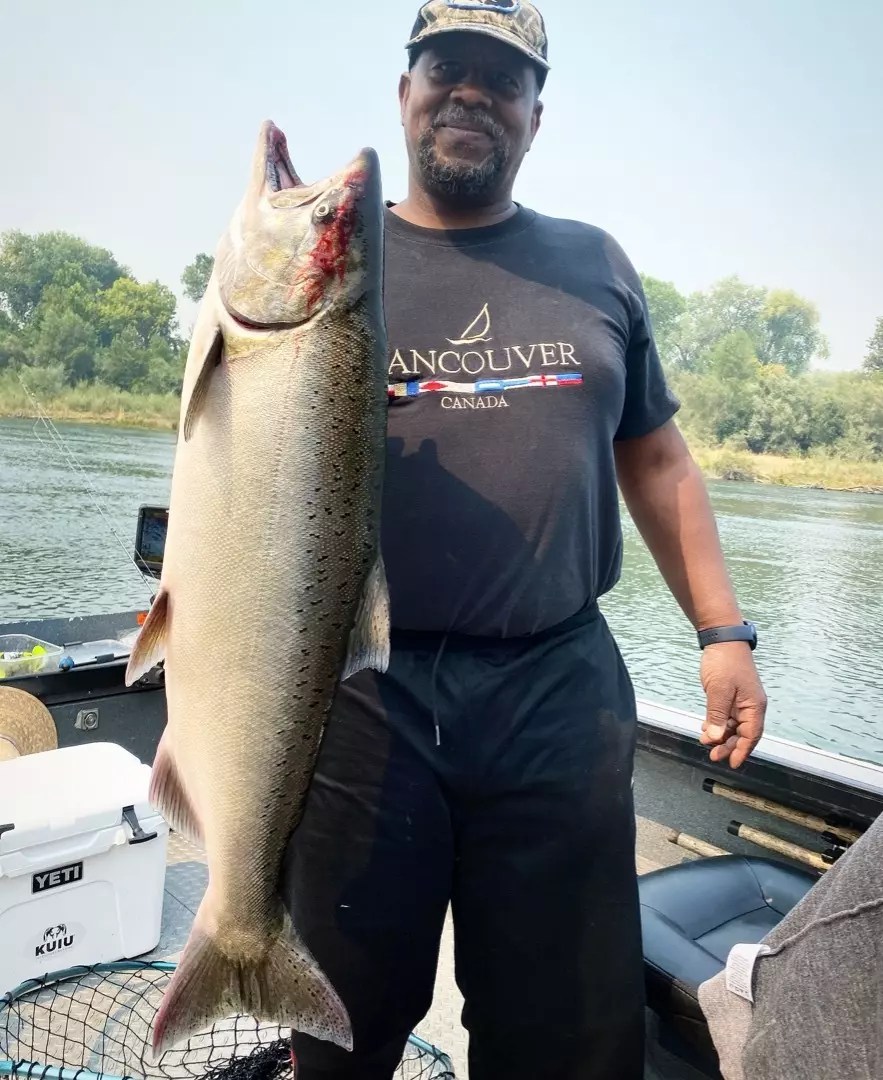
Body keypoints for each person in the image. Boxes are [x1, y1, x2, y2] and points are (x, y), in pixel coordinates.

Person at [282, 2, 769, 1077]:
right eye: (444, 70)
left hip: (556, 687)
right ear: (404, 95)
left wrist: (722, 629)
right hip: (365, 692)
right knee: (338, 1026)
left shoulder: (592, 262)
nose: (470, 95)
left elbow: (658, 458)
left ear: (534, 118)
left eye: (500, 82)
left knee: (565, 1035)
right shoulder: (320, 261)